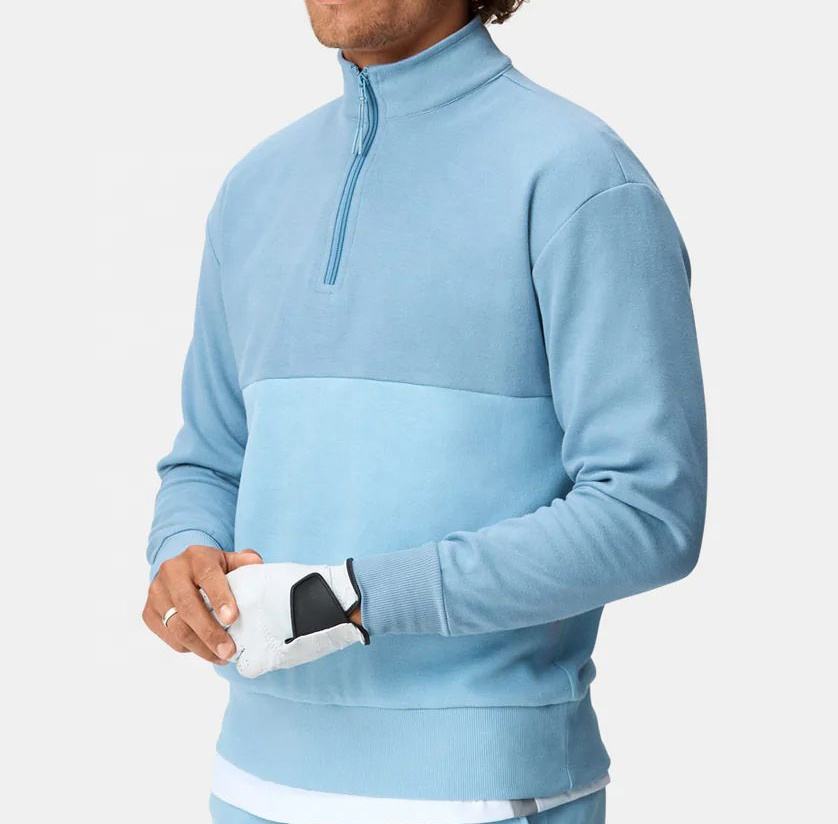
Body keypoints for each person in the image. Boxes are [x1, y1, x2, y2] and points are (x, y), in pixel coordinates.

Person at [142, 1, 707, 822]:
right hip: (249, 785)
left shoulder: (578, 176)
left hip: (480, 794)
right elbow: (210, 458)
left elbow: (649, 512)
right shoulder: (254, 187)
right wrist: (183, 551)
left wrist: (355, 596)